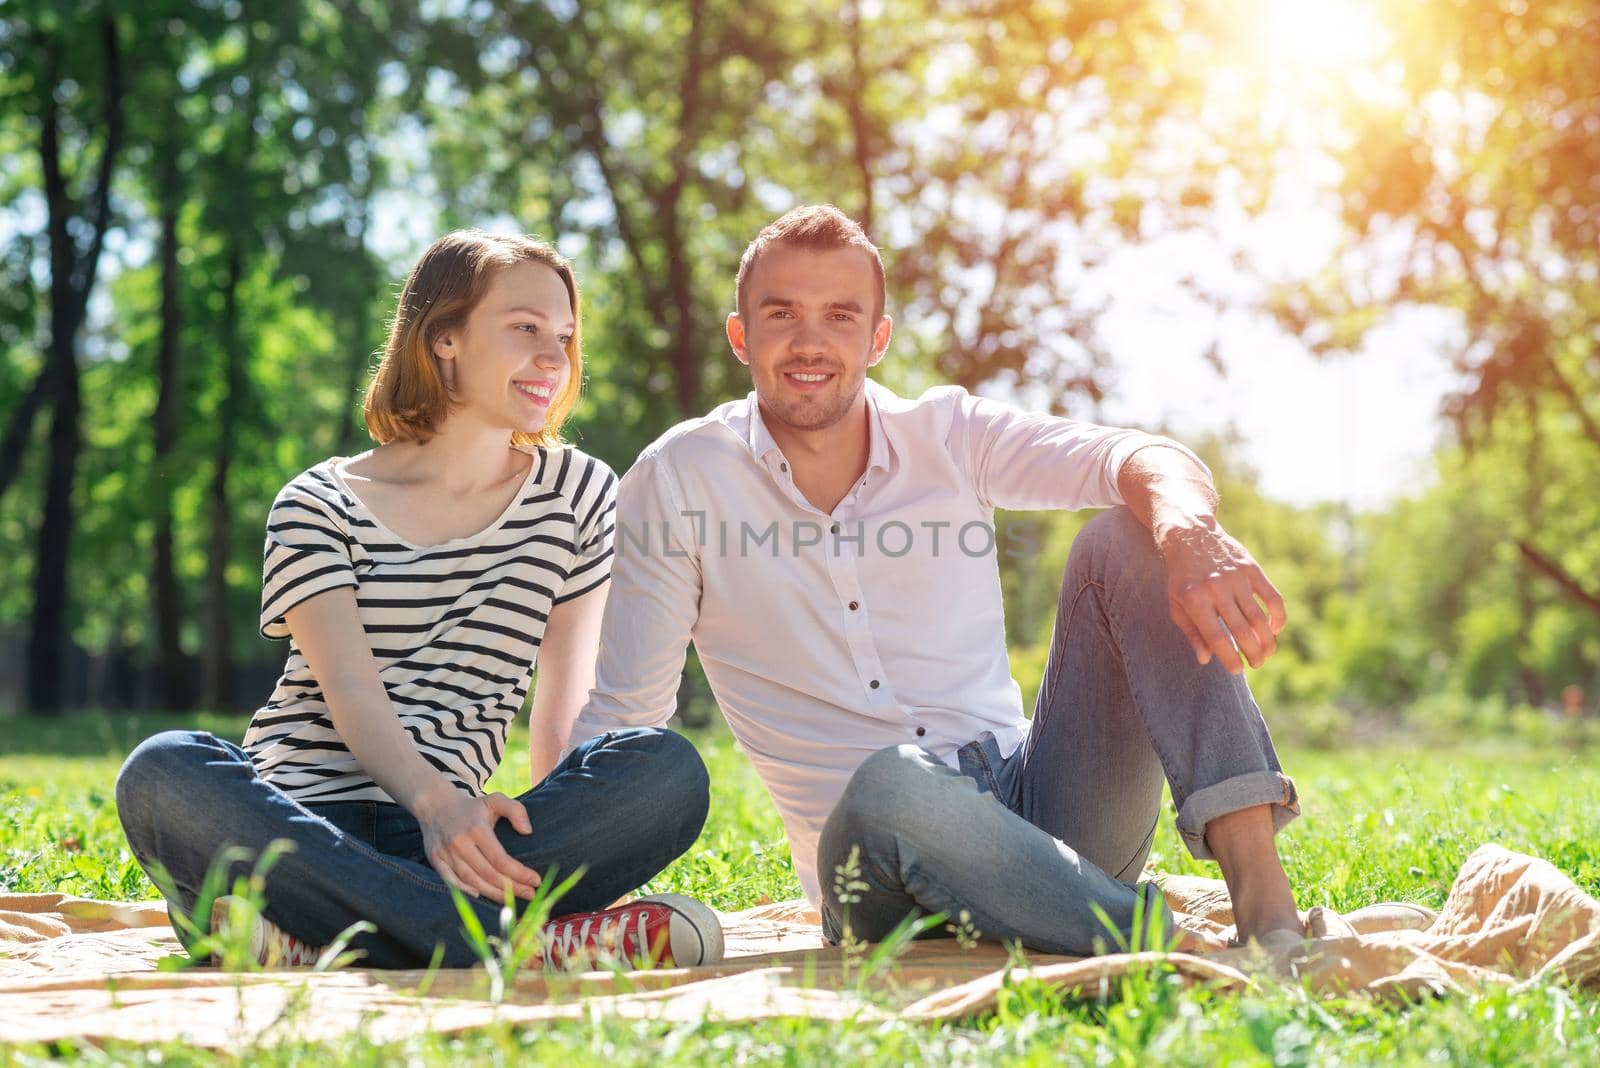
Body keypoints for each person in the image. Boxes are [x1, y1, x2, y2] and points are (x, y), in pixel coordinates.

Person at [564, 205, 1302, 956]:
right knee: (891, 783)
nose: (809, 341)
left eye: (840, 316)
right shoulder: (679, 478)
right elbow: (627, 714)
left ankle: (1266, 915)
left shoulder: (948, 433)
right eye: (780, 313)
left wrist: (1189, 531)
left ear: (877, 338)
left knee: (1130, 534)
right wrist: (563, 886)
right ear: (741, 336)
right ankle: (1138, 931)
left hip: (1044, 818)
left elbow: (1137, 456)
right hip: (875, 866)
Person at [116, 230, 722, 970]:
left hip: (464, 843)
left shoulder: (578, 492)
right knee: (165, 771)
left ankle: (325, 939)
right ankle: (514, 945)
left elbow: (563, 711)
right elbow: (352, 694)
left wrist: (554, 826)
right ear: (444, 339)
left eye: (563, 337)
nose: (554, 360)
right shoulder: (319, 503)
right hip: (297, 825)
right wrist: (434, 805)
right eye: (525, 328)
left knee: (667, 770)